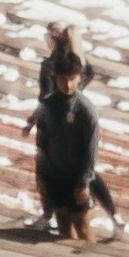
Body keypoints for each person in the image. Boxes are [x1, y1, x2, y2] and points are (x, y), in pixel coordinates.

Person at [31, 31, 105, 241]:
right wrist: (40, 175)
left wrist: (84, 182)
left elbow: (91, 150)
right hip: (54, 175)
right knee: (63, 224)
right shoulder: (48, 106)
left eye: (72, 79)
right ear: (56, 77)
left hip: (76, 177)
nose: (68, 84)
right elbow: (41, 143)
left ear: (79, 77)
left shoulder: (86, 110)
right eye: (63, 79)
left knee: (82, 226)